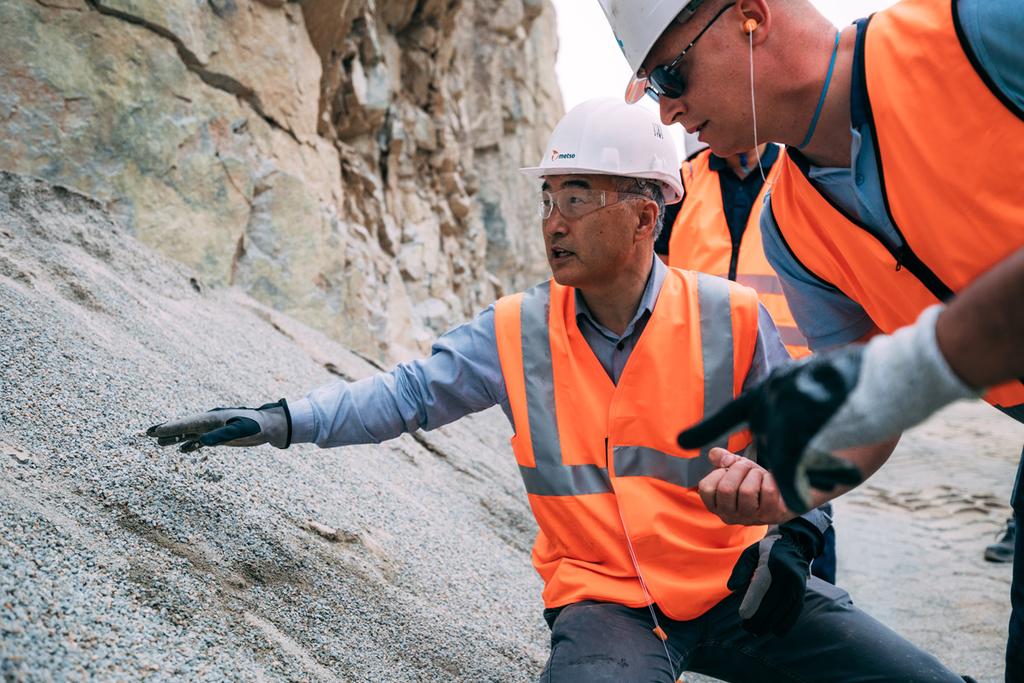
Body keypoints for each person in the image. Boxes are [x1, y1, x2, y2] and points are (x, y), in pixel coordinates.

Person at [146, 99, 965, 683]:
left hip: (735, 592)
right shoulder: (512, 331)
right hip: (605, 608)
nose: (553, 221)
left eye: (577, 197)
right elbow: (400, 396)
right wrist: (279, 419)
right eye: (547, 199)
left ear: (646, 217)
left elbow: (805, 443)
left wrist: (797, 540)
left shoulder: (733, 317)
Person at [596, 0, 1024, 678]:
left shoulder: (979, 32)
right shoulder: (793, 232)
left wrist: (947, 349)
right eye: (652, 89)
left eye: (670, 77)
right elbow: (866, 411)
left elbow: (913, 372)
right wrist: (787, 486)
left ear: (750, 16)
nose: (666, 112)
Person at [658, 141, 837, 584]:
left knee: (802, 511)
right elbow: (657, 276)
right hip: (703, 383)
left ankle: (814, 605)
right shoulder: (684, 182)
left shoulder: (802, 176)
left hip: (792, 377)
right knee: (712, 507)